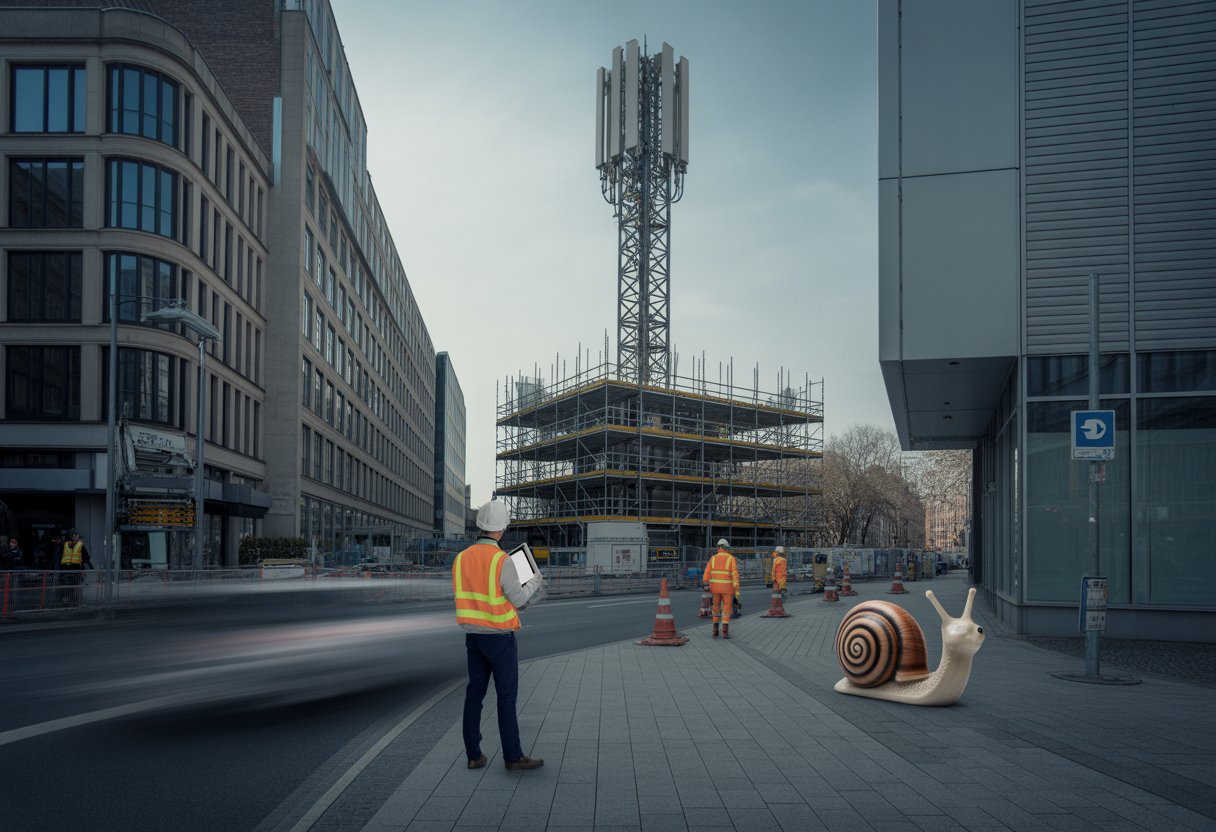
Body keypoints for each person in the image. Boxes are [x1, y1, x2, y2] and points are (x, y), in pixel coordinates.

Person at [454, 500, 545, 771]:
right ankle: (513, 756)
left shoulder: (461, 558)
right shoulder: (502, 560)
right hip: (500, 637)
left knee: (475, 694)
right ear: (502, 529)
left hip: (473, 635)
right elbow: (517, 599)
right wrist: (534, 581)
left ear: (480, 525)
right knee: (506, 697)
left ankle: (473, 754)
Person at [703, 538, 740, 639]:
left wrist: (706, 584)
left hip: (715, 588)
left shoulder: (713, 558)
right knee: (726, 609)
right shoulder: (731, 558)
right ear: (725, 547)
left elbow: (707, 572)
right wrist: (737, 590)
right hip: (727, 589)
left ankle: (715, 630)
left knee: (715, 608)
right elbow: (735, 575)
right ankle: (725, 632)